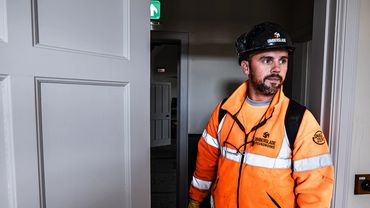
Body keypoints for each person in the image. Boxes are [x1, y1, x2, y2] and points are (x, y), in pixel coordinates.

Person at [188, 22, 334, 208]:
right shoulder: (224, 111)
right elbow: (206, 162)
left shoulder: (298, 119)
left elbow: (316, 188)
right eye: (267, 60)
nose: (277, 68)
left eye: (283, 60)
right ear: (246, 67)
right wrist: (195, 198)